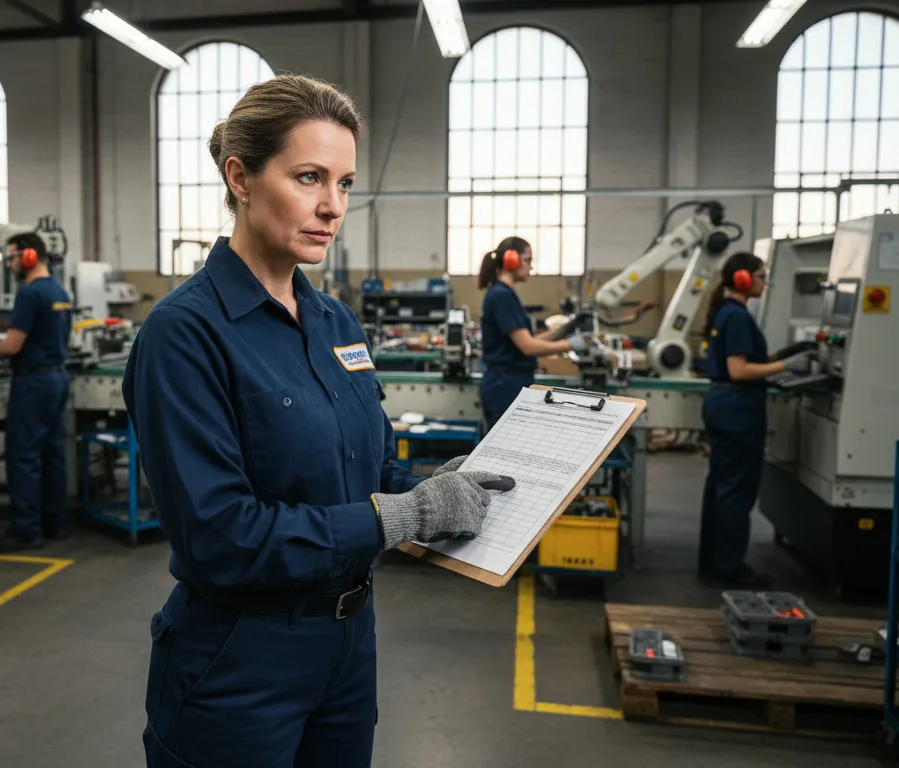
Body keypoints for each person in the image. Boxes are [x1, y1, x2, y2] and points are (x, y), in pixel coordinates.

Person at [122, 74, 515, 768]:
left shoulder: (334, 320)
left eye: (344, 184)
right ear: (240, 177)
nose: (332, 207)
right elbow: (220, 535)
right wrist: (402, 517)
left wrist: (433, 489)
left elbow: (362, 469)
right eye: (309, 178)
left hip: (348, 645)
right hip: (242, 657)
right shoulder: (184, 334)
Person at [697, 251, 812, 587]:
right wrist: (786, 367)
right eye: (762, 275)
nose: (766, 281)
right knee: (736, 490)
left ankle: (713, 561)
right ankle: (729, 567)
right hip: (738, 408)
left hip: (725, 405)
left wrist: (788, 353)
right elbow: (739, 369)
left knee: (721, 484)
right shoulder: (737, 317)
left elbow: (750, 358)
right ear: (744, 280)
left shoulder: (729, 313)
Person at [0, 232, 73, 553]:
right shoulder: (60, 291)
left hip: (33, 383)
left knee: (24, 457)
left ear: (30, 256)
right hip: (57, 378)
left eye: (13, 256)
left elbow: (12, 345)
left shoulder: (30, 294)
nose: (9, 263)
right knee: (52, 454)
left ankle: (26, 532)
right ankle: (55, 525)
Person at [477, 238, 593, 428]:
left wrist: (565, 329)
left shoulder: (505, 294)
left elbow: (528, 340)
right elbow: (528, 347)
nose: (531, 267)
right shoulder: (502, 296)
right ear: (512, 260)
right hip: (506, 386)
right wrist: (571, 344)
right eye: (528, 260)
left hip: (510, 382)